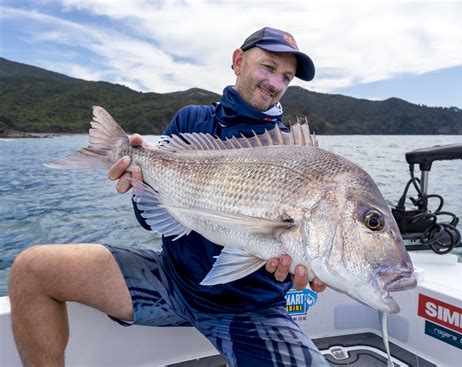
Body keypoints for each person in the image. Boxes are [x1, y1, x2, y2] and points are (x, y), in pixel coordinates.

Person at [9, 27, 328, 366]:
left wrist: (308, 260)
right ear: (238, 61)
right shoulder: (191, 119)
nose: (276, 84)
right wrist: (137, 184)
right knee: (32, 269)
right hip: (172, 281)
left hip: (251, 308)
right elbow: (148, 220)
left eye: (287, 77)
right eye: (268, 67)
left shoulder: (292, 150)